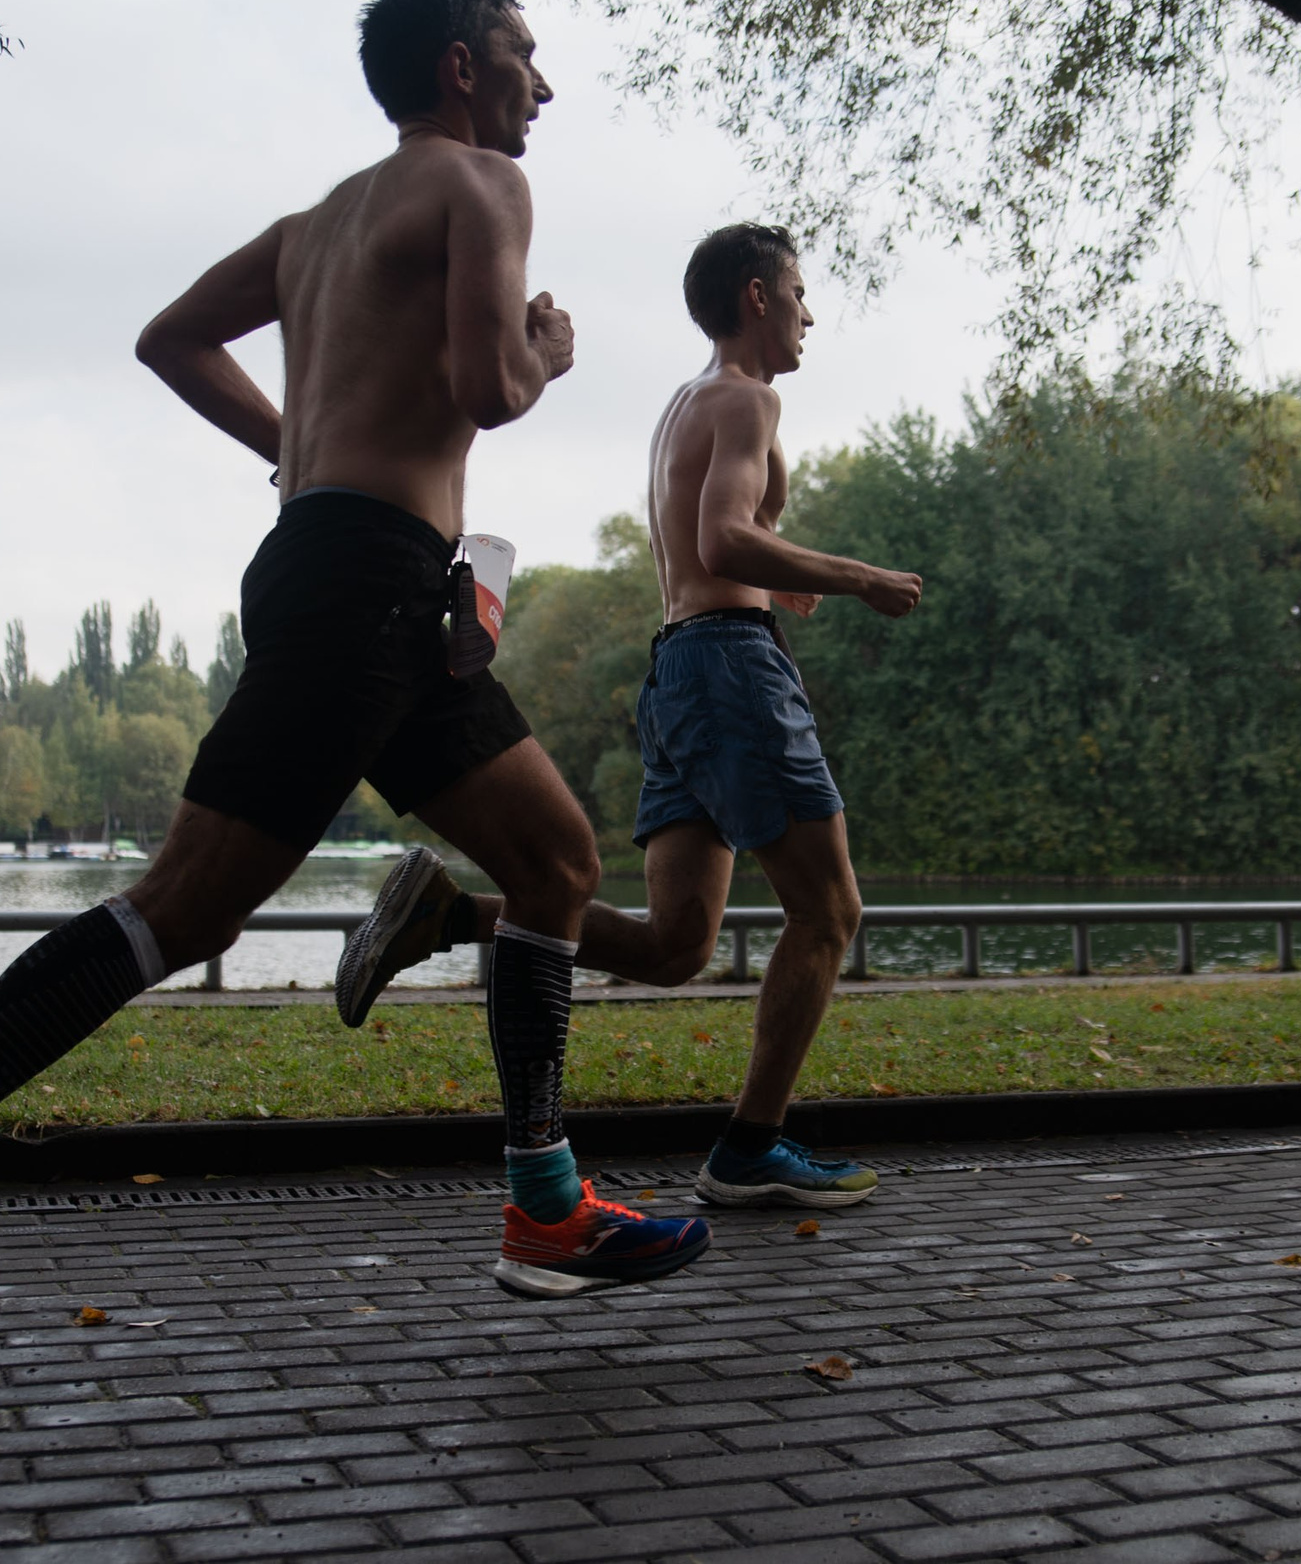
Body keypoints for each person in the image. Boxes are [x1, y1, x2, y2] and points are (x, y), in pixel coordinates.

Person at [0, 0, 710, 1359]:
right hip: (365, 588)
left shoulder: (311, 227)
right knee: (180, 908)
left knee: (557, 860)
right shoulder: (483, 188)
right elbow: (487, 391)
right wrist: (549, 352)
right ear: (461, 67)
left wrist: (299, 453)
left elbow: (170, 339)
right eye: (526, 53)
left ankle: (543, 1205)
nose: (544, 83)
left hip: (361, 580)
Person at [337, 222, 923, 1210]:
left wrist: (786, 577)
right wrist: (857, 576)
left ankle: (446, 915)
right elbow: (724, 535)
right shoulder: (746, 396)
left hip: (681, 672)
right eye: (798, 290)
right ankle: (750, 1147)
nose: (809, 311)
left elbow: (713, 545)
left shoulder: (683, 406)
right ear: (754, 297)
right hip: (732, 672)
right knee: (830, 911)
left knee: (673, 946)